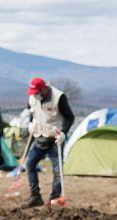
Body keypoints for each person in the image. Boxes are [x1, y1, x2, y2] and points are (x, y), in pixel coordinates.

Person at [24, 77, 75, 207]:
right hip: (39, 137)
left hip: (54, 139)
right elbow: (33, 112)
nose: (35, 95)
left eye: (37, 92)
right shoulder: (33, 97)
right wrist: (31, 123)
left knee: (57, 170)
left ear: (44, 89)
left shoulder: (59, 97)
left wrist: (63, 133)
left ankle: (54, 198)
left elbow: (70, 117)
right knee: (29, 164)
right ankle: (35, 196)